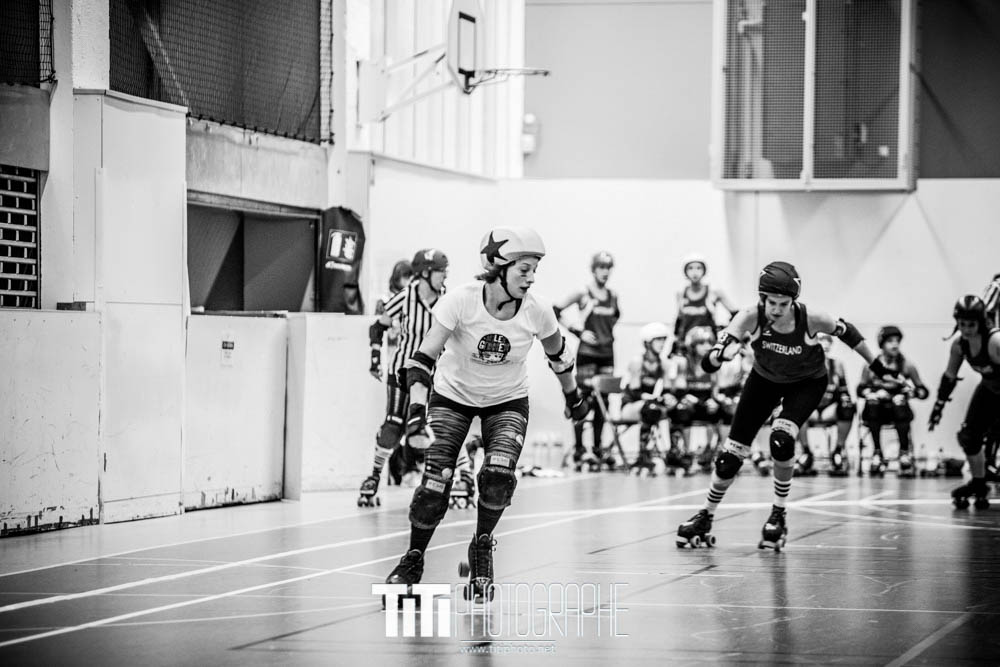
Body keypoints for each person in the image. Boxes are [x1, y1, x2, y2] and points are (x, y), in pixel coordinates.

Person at [383, 227, 590, 603]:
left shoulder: (538, 310)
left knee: (497, 478)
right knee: (434, 486)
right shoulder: (460, 301)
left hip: (507, 400)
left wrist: (574, 397)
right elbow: (421, 362)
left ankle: (481, 550)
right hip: (452, 397)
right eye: (523, 269)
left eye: (534, 270)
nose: (531, 278)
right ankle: (412, 560)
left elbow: (560, 358)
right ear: (497, 268)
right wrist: (415, 412)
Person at [676, 261, 898, 551]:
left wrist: (878, 367)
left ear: (794, 301)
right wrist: (721, 355)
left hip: (806, 383)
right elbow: (707, 364)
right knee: (730, 457)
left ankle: (778, 514)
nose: (777, 310)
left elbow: (849, 333)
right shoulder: (748, 317)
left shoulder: (811, 318)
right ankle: (705, 515)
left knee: (781, 440)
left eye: (784, 303)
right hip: (765, 381)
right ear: (761, 299)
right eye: (772, 303)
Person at [357, 249, 448, 507]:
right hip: (401, 370)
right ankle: (374, 477)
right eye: (441, 272)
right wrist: (375, 360)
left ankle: (452, 477)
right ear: (426, 273)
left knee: (434, 425)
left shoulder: (447, 301)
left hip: (432, 373)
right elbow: (377, 328)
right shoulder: (405, 298)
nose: (445, 277)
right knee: (393, 425)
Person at [928, 295, 1000, 509]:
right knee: (969, 436)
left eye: (971, 324)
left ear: (981, 322)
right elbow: (949, 377)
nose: (966, 330)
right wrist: (938, 407)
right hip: (988, 389)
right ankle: (979, 484)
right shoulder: (959, 345)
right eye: (962, 324)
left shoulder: (995, 342)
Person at [554, 251, 621, 470]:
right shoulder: (584, 293)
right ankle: (580, 449)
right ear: (594, 269)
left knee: (604, 402)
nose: (605, 272)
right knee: (584, 400)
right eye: (601, 267)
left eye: (608, 267)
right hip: (588, 353)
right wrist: (577, 331)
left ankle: (598, 448)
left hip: (607, 352)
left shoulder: (612, 296)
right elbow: (556, 310)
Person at [857, 325, 929, 477]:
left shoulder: (906, 365)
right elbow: (860, 389)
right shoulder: (871, 366)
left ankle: (904, 453)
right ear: (882, 344)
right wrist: (870, 393)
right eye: (890, 341)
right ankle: (877, 453)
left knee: (899, 404)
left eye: (897, 341)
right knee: (872, 404)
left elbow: (923, 392)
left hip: (897, 412)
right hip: (877, 411)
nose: (895, 344)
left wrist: (909, 394)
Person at [795, 333, 856, 477]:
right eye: (821, 340)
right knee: (795, 408)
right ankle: (806, 453)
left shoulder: (837, 364)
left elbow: (844, 391)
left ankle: (838, 451)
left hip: (830, 408)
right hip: (810, 408)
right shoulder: (803, 364)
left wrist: (844, 399)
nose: (825, 344)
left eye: (828, 341)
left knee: (847, 406)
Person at [620, 322, 676, 475]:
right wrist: (654, 398)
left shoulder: (664, 364)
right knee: (650, 408)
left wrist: (669, 398)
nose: (662, 344)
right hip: (630, 407)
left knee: (675, 409)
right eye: (658, 340)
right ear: (647, 342)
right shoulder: (638, 362)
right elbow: (635, 392)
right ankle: (643, 455)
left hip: (650, 404)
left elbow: (667, 389)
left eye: (664, 339)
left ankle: (674, 454)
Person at [669, 326, 723, 472]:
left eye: (709, 343)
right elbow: (678, 390)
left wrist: (715, 401)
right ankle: (685, 452)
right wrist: (687, 397)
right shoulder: (684, 363)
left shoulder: (713, 364)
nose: (706, 347)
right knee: (682, 410)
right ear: (692, 346)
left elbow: (717, 390)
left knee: (720, 410)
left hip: (705, 403)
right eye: (701, 343)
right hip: (689, 402)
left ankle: (710, 451)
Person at [673, 253, 737, 354]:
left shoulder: (713, 292)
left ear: (704, 271)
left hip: (707, 345)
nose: (695, 272)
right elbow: (680, 320)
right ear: (685, 271)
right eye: (690, 268)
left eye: (699, 268)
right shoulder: (681, 293)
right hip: (687, 347)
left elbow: (736, 314)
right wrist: (675, 343)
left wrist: (725, 331)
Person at [373, 259, 414, 355]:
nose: (408, 280)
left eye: (410, 277)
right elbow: (378, 330)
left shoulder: (413, 299)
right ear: (397, 277)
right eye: (405, 276)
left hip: (408, 350)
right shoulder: (384, 300)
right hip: (388, 349)